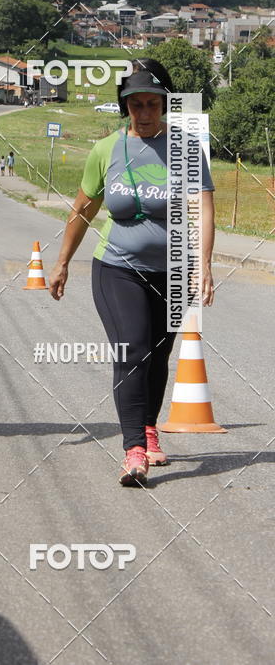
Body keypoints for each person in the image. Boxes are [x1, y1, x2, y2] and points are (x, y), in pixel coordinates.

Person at [48, 59, 216, 487]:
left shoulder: (184, 147)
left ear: (164, 105)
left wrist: (204, 265)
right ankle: (133, 449)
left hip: (173, 270)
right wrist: (63, 260)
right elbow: (83, 209)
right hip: (117, 266)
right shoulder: (106, 150)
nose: (144, 113)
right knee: (133, 349)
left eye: (152, 104)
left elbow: (203, 208)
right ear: (125, 107)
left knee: (158, 355)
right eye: (135, 105)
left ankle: (149, 426)